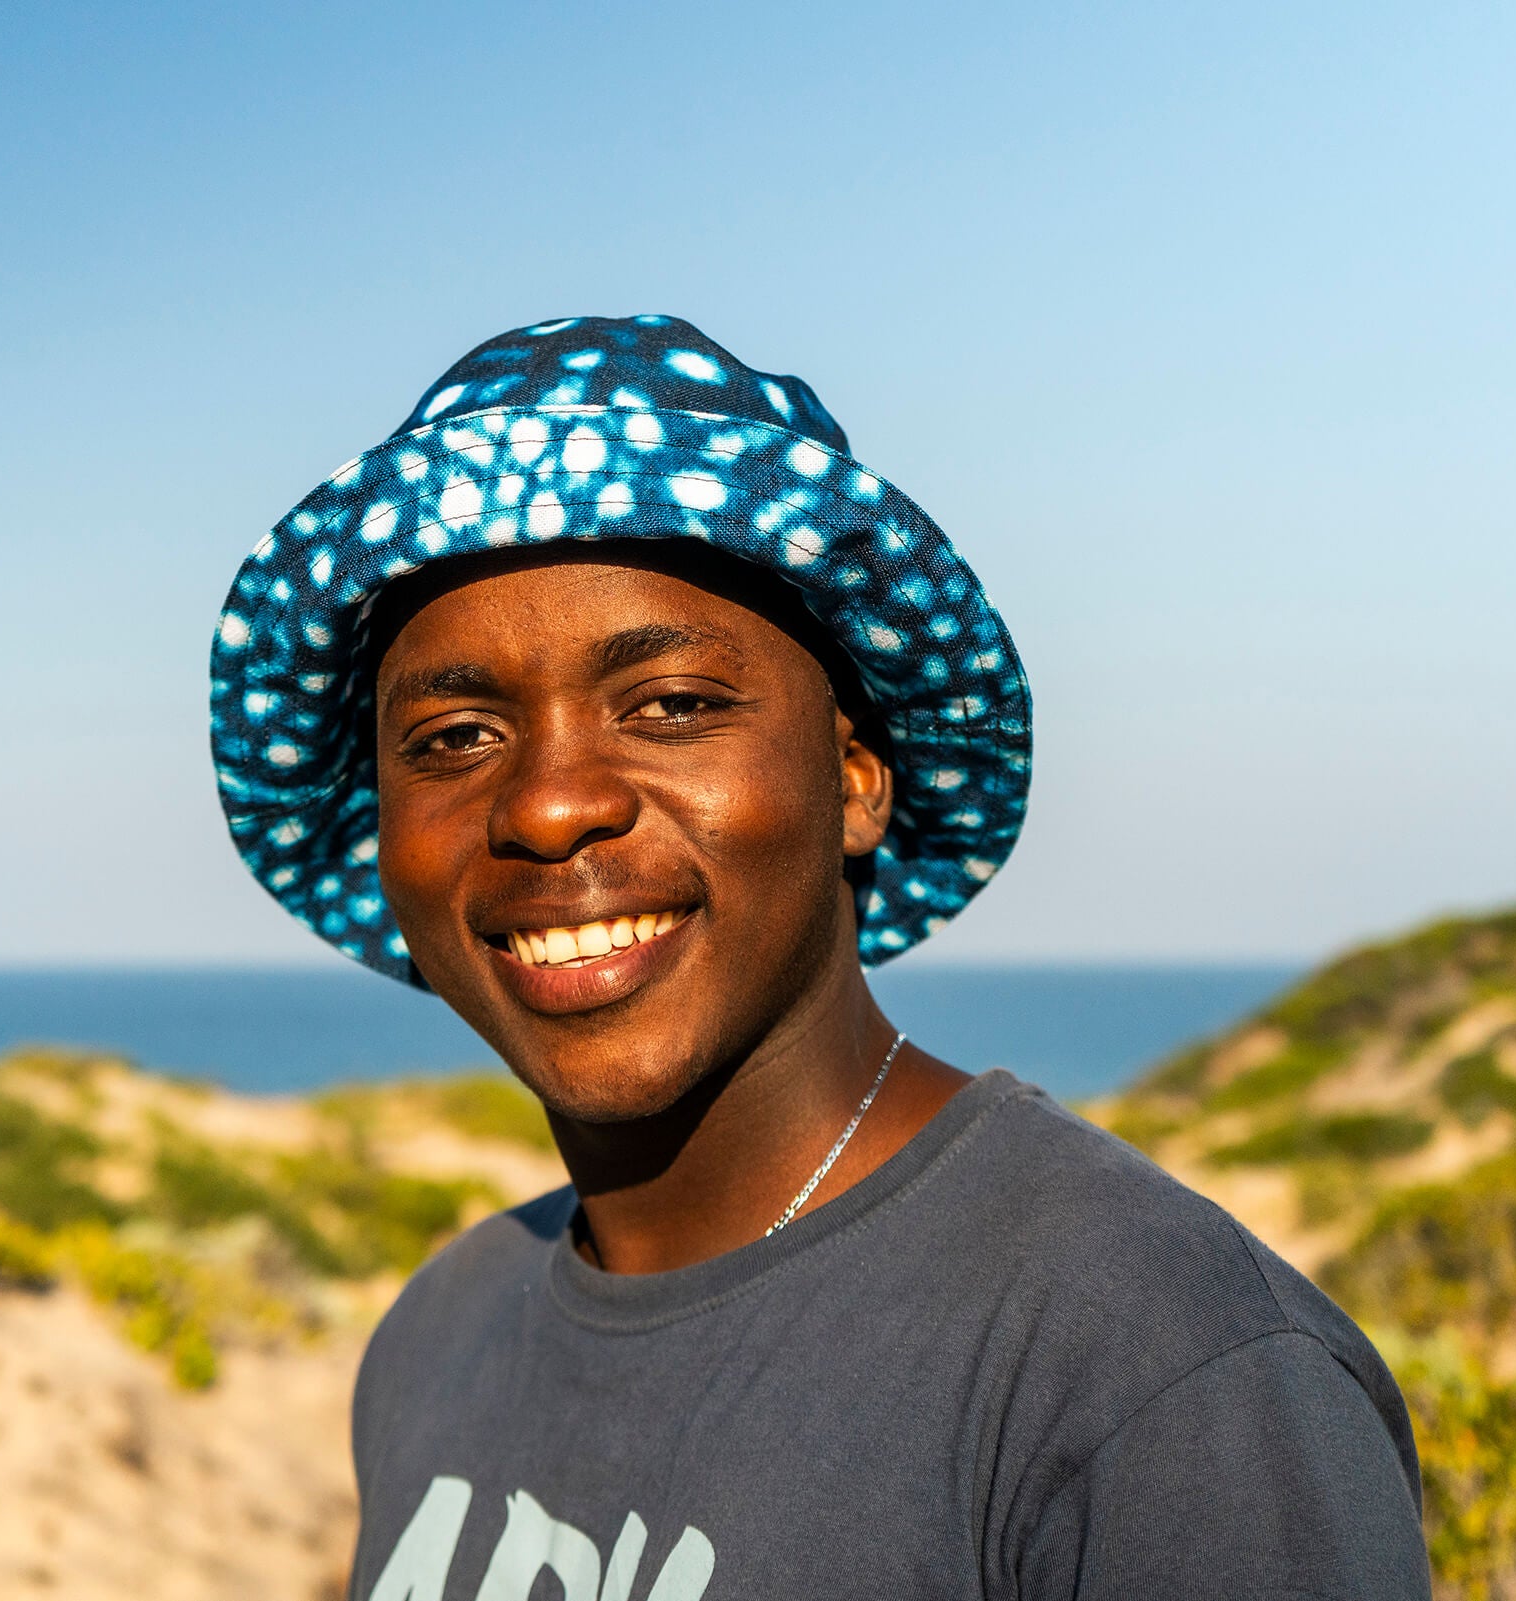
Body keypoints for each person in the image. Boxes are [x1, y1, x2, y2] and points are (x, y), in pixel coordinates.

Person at [211, 316, 1430, 1600]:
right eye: (455, 736)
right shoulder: (443, 1335)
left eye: (672, 704)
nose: (549, 805)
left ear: (854, 780)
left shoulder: (1153, 1370)